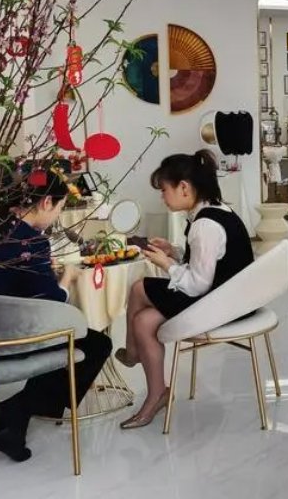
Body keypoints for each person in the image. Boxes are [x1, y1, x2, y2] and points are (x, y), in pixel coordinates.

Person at [0, 165, 111, 462]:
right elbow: (50, 302)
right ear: (46, 202)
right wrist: (67, 279)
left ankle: (13, 421)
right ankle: (13, 411)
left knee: (69, 339)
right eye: (59, 208)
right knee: (95, 343)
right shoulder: (31, 241)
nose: (57, 215)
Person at [114, 150, 254, 429]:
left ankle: (132, 353)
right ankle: (157, 394)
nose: (162, 197)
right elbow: (208, 262)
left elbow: (198, 284)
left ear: (184, 187)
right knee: (143, 321)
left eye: (164, 190)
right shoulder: (216, 210)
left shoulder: (205, 225)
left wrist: (166, 264)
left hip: (219, 304)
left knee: (139, 287)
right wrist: (175, 251)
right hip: (229, 296)